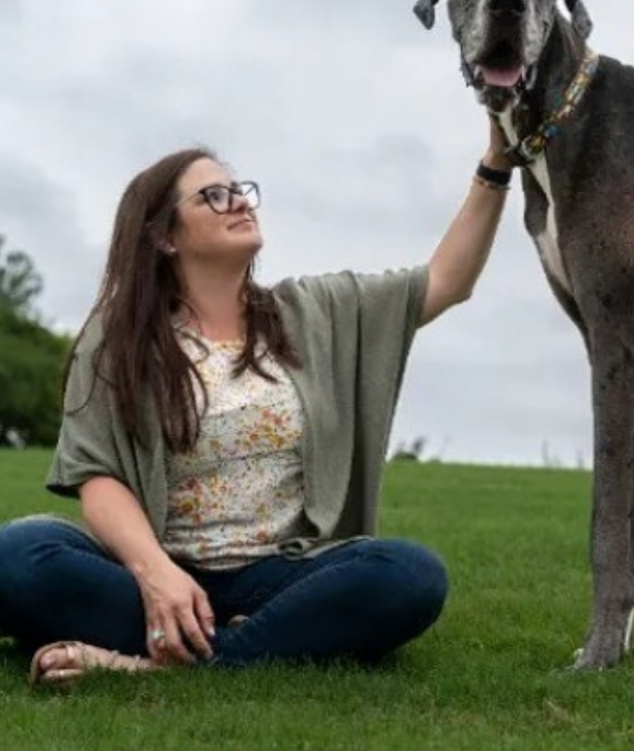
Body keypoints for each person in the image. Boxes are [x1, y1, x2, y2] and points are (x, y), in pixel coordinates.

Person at [0, 117, 516, 684]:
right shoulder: (117, 337)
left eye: (240, 190)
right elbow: (98, 478)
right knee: (18, 554)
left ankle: (155, 665)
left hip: (280, 576)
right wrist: (157, 576)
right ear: (165, 236)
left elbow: (446, 281)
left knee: (409, 574)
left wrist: (496, 163)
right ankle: (247, 641)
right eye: (212, 196)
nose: (238, 202)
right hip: (155, 574)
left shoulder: (316, 312)